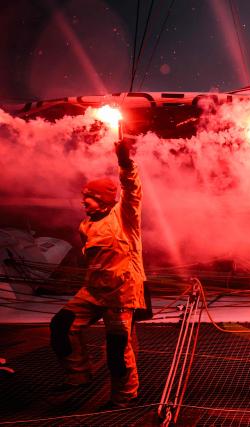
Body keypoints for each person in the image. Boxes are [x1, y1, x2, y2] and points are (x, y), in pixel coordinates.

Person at [49, 138, 146, 409]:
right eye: (84, 198)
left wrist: (125, 162)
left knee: (117, 346)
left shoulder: (124, 217)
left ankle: (124, 396)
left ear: (103, 199)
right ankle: (78, 375)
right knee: (62, 325)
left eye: (89, 198)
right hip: (92, 291)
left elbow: (132, 190)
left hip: (120, 294)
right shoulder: (86, 225)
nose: (84, 202)